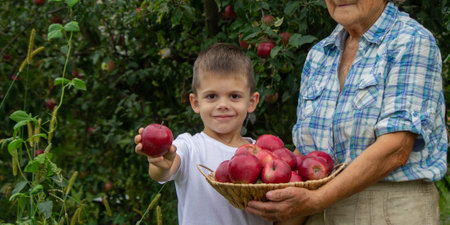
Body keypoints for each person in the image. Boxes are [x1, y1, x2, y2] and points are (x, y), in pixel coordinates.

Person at [246, 0, 447, 224]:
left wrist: (316, 199)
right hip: (316, 210)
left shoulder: (410, 41)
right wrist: (286, 203)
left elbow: (396, 149)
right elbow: (307, 152)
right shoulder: (320, 54)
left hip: (386, 210)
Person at [134, 43, 272, 225]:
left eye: (234, 96)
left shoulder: (264, 155)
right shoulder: (189, 146)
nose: (223, 104)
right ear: (195, 102)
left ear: (252, 102)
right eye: (212, 96)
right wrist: (160, 163)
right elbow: (163, 172)